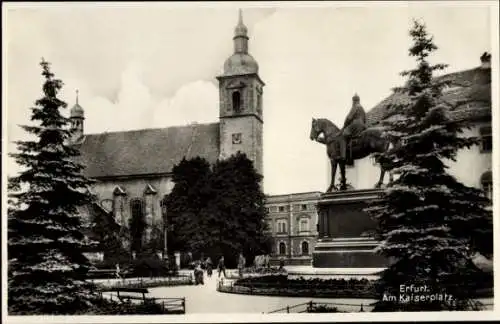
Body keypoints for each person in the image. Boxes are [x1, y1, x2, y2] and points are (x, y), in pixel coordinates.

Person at [339, 93, 367, 162]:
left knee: (343, 135)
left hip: (356, 124)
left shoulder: (355, 106)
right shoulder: (362, 108)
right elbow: (365, 119)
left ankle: (343, 156)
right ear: (359, 100)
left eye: (353, 101)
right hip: (363, 125)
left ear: (354, 101)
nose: (353, 102)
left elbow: (349, 118)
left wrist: (344, 126)